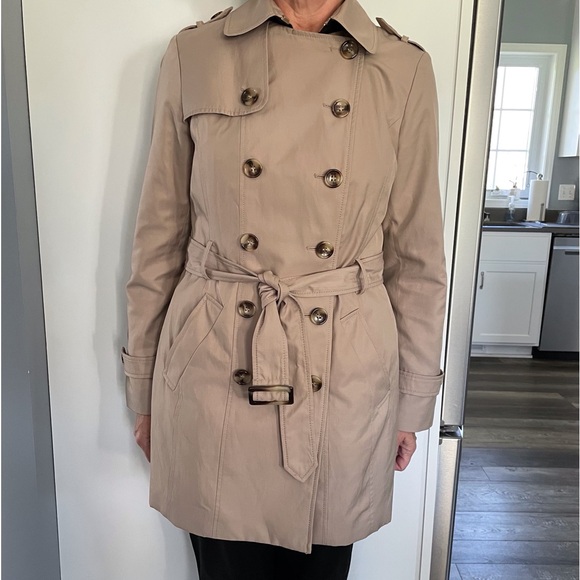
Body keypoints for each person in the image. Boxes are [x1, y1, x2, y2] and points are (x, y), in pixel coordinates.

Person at [121, 0, 447, 577]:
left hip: (342, 375)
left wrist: (412, 399)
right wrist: (144, 387)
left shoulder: (403, 68)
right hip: (216, 364)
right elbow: (159, 234)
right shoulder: (196, 52)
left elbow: (416, 253)